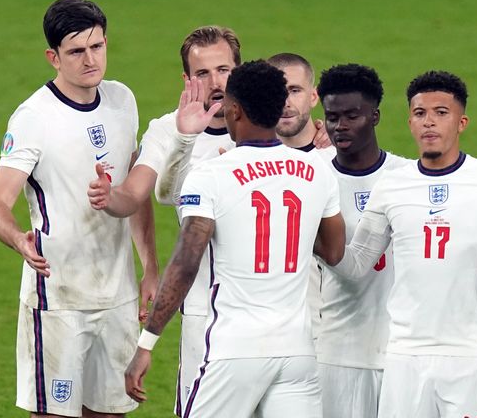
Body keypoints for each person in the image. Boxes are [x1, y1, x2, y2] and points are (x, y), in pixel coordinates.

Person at [124, 60, 346, 418]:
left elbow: (185, 263)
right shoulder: (317, 171)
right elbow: (334, 251)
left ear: (235, 109)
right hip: (297, 352)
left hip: (234, 350)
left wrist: (146, 343)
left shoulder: (212, 175)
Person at [320, 70, 477, 418]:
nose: (430, 122)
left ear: (461, 122)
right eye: (420, 113)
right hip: (405, 353)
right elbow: (357, 264)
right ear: (409, 121)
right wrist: (310, 234)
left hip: (471, 352)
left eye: (441, 112)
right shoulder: (393, 186)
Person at [0, 0, 158, 417]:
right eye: (76, 51)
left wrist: (150, 265)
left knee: (111, 412)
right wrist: (18, 240)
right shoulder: (33, 118)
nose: (90, 60)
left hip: (117, 294)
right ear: (53, 57)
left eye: (97, 47)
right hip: (58, 299)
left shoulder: (122, 100)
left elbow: (135, 193)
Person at [88, 25, 241, 416]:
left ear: (240, 70)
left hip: (277, 311)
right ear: (187, 80)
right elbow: (145, 196)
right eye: (203, 74)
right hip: (202, 308)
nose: (216, 82)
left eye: (224, 69)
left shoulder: (269, 128)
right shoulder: (167, 130)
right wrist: (150, 265)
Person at [315, 63, 411, 417]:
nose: (340, 126)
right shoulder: (311, 173)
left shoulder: (407, 177)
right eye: (332, 116)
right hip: (335, 349)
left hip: (399, 349)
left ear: (375, 116)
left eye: (352, 116)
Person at [267, 53, 336, 342]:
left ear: (313, 96)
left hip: (331, 327)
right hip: (268, 327)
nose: (285, 102)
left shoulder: (338, 163)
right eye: (277, 93)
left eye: (295, 91)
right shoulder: (247, 163)